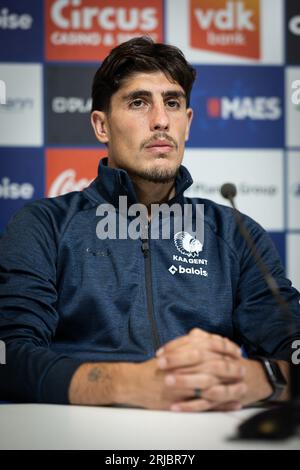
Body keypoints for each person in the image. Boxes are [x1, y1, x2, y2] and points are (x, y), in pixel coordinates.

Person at [0, 37, 299, 412]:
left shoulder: (235, 233)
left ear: (187, 123)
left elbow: (293, 346)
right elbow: (8, 355)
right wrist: (129, 383)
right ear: (101, 125)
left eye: (172, 103)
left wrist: (253, 379)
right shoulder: (43, 225)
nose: (160, 120)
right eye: (138, 102)